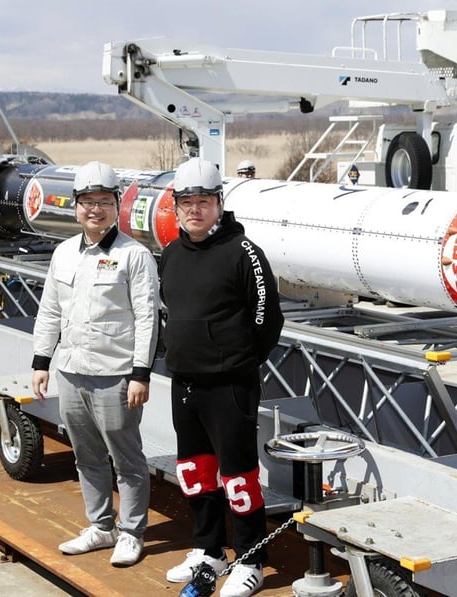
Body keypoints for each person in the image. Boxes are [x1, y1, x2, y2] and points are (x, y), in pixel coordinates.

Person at [158, 158, 284, 597]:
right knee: (195, 472)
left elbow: (268, 319)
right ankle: (209, 550)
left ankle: (251, 561)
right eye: (186, 202)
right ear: (176, 206)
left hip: (230, 385)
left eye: (204, 201)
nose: (195, 210)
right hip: (185, 382)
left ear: (219, 203)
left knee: (238, 477)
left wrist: (239, 362)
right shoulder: (172, 254)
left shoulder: (244, 253)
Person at [31, 160, 159, 567]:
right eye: (88, 201)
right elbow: (50, 311)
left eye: (104, 201)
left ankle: (131, 532)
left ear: (116, 205)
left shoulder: (134, 255)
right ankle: (101, 527)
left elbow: (147, 318)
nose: (95, 209)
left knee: (126, 459)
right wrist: (41, 361)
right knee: (85, 455)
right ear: (75, 206)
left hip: (115, 374)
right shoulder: (63, 253)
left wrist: (140, 373)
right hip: (71, 371)